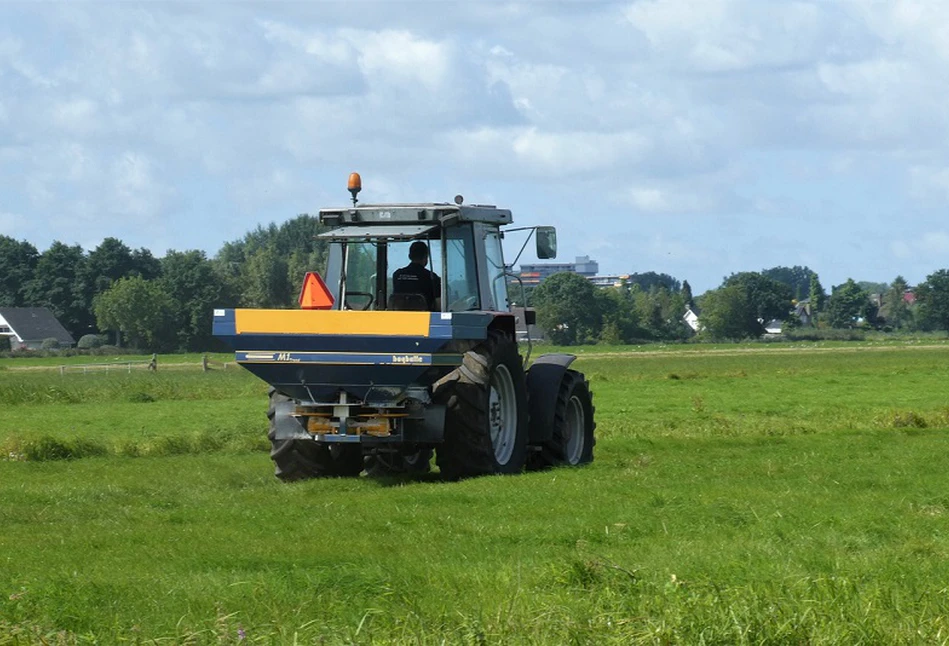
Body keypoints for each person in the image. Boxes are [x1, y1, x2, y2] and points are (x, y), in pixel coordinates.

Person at [393, 240, 441, 311]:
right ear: (426, 257)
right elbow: (439, 304)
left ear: (409, 256)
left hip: (400, 318)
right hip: (425, 319)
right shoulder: (432, 277)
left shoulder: (397, 275)